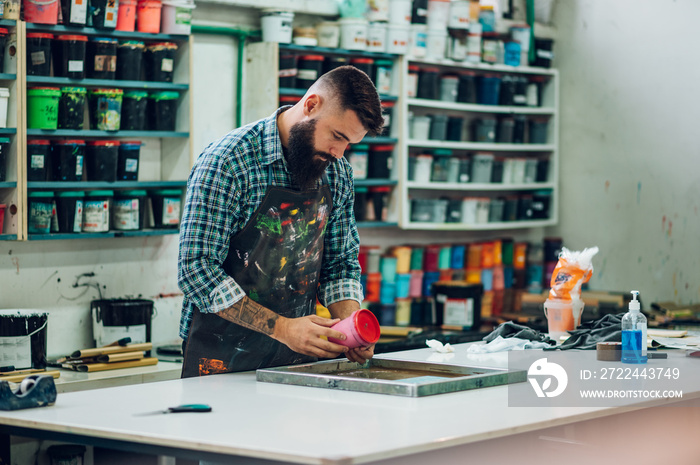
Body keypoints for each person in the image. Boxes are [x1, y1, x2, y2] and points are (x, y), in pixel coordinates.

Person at [177, 66, 384, 378]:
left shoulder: (337, 172)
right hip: (221, 361)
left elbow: (340, 264)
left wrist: (350, 326)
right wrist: (283, 328)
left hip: (298, 358)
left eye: (349, 144)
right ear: (311, 105)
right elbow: (196, 269)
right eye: (337, 136)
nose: (339, 153)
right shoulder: (229, 162)